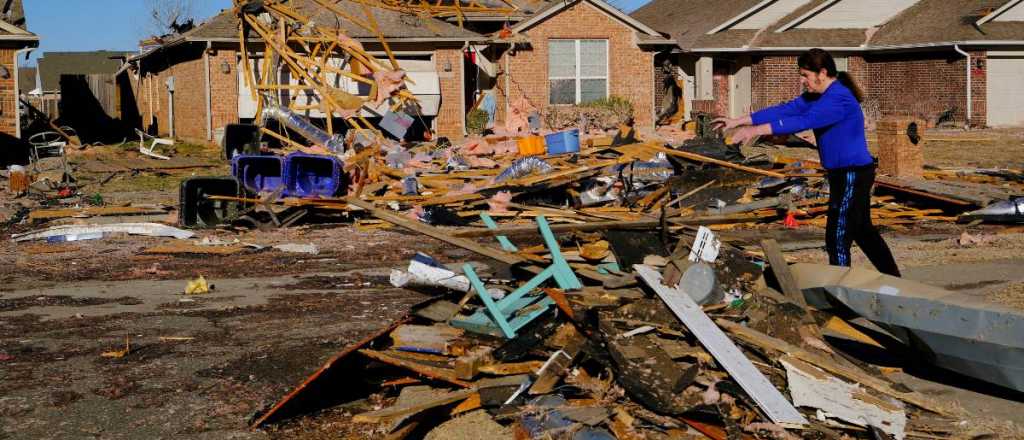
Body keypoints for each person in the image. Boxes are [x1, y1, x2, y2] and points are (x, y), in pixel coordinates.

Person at [713, 48, 901, 277]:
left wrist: (754, 130)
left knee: (838, 234)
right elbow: (785, 110)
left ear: (822, 73)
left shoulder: (839, 98)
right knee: (863, 230)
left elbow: (803, 121)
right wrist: (738, 121)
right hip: (843, 173)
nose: (802, 81)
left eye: (805, 75)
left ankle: (839, 288)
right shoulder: (816, 97)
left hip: (853, 173)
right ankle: (894, 279)